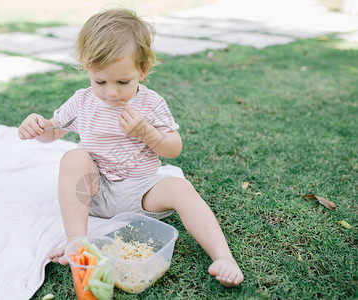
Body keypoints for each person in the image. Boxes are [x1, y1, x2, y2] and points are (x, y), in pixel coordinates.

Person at [18, 8, 243, 287]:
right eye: (100, 81)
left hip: (140, 192)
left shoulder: (150, 104)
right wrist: (37, 127)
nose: (111, 92)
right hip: (94, 191)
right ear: (87, 69)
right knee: (74, 156)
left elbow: (173, 148)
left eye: (123, 82)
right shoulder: (82, 101)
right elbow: (52, 132)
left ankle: (223, 257)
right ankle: (77, 241)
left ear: (143, 70)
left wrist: (147, 132)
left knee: (180, 187)